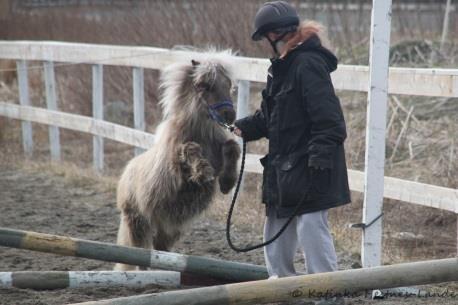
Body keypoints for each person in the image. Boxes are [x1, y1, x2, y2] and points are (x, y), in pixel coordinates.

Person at [233, 1, 351, 304]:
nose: (265, 45)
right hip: (284, 167)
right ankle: (282, 291)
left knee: (312, 228)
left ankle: (328, 295)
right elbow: (270, 117)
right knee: (274, 228)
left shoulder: (307, 64)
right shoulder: (282, 69)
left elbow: (330, 122)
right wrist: (243, 127)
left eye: (265, 38)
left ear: (274, 34)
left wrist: (319, 160)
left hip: (310, 165)